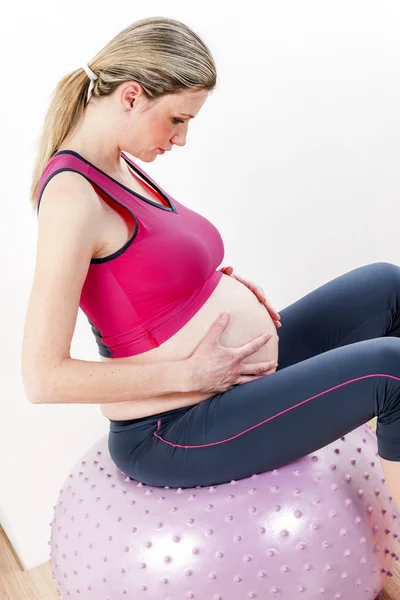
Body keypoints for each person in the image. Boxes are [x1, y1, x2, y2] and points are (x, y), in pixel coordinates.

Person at [22, 18, 400, 512]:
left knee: (386, 285)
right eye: (178, 119)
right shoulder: (72, 196)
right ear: (132, 97)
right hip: (174, 427)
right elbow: (43, 378)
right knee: (391, 368)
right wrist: (194, 374)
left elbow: (138, 282)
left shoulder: (119, 163)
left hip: (228, 381)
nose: (180, 140)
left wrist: (209, 288)